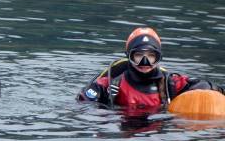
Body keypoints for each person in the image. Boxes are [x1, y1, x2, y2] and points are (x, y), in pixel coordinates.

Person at [78, 26, 223, 111]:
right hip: (123, 135)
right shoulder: (111, 85)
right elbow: (83, 103)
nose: (145, 62)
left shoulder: (169, 84)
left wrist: (210, 89)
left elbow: (204, 85)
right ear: (129, 56)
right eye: (139, 56)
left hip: (158, 136)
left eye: (151, 56)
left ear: (158, 58)